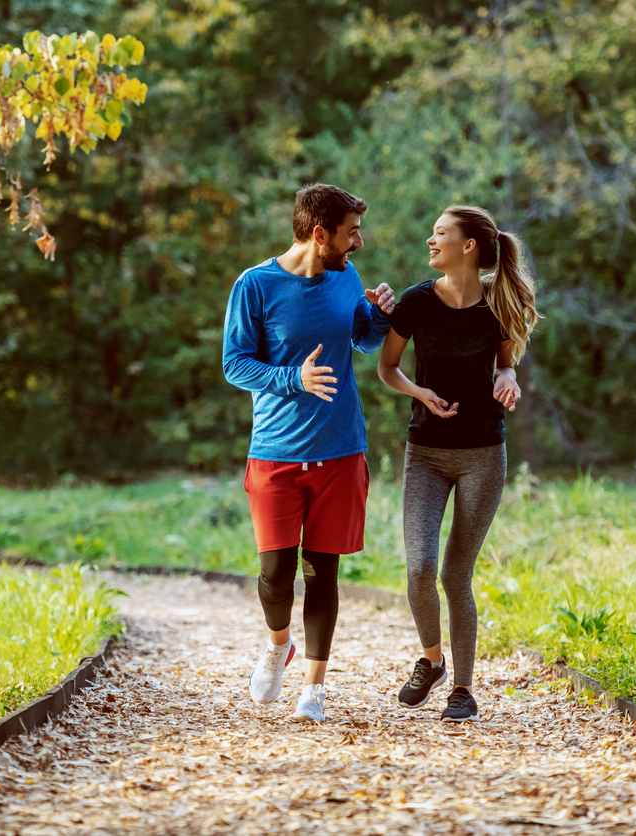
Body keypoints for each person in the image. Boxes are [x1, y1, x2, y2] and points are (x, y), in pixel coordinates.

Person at [222, 183, 396, 723]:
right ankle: (279, 645)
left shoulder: (348, 277)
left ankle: (314, 689)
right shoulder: (256, 285)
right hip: (275, 452)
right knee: (275, 575)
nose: (358, 243)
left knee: (324, 573)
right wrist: (292, 378)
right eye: (351, 233)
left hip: (341, 449)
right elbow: (235, 364)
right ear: (320, 234)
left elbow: (362, 341)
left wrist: (379, 317)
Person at [377, 205, 540, 722]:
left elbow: (506, 363)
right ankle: (431, 661)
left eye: (440, 233)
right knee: (420, 567)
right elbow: (386, 367)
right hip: (425, 452)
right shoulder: (417, 302)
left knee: (455, 574)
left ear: (467, 246)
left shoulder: (498, 303)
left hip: (483, 456)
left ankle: (463, 691)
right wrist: (420, 393)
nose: (431, 240)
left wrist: (509, 378)